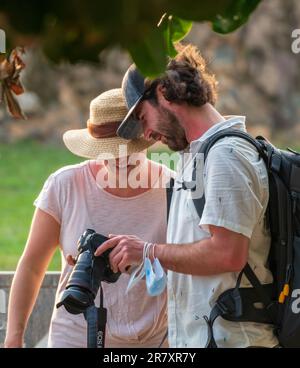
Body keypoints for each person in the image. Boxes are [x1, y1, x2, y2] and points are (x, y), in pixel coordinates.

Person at [95, 44, 280, 348]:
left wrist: (148, 251)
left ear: (165, 93)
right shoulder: (197, 157)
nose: (147, 135)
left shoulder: (225, 157)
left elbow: (228, 254)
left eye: (143, 118)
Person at [4, 88, 174, 348]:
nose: (121, 158)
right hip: (74, 336)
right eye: (110, 151)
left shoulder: (173, 188)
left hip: (155, 341)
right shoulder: (65, 185)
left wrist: (146, 255)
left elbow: (194, 262)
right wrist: (14, 338)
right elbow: (31, 266)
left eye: (130, 149)